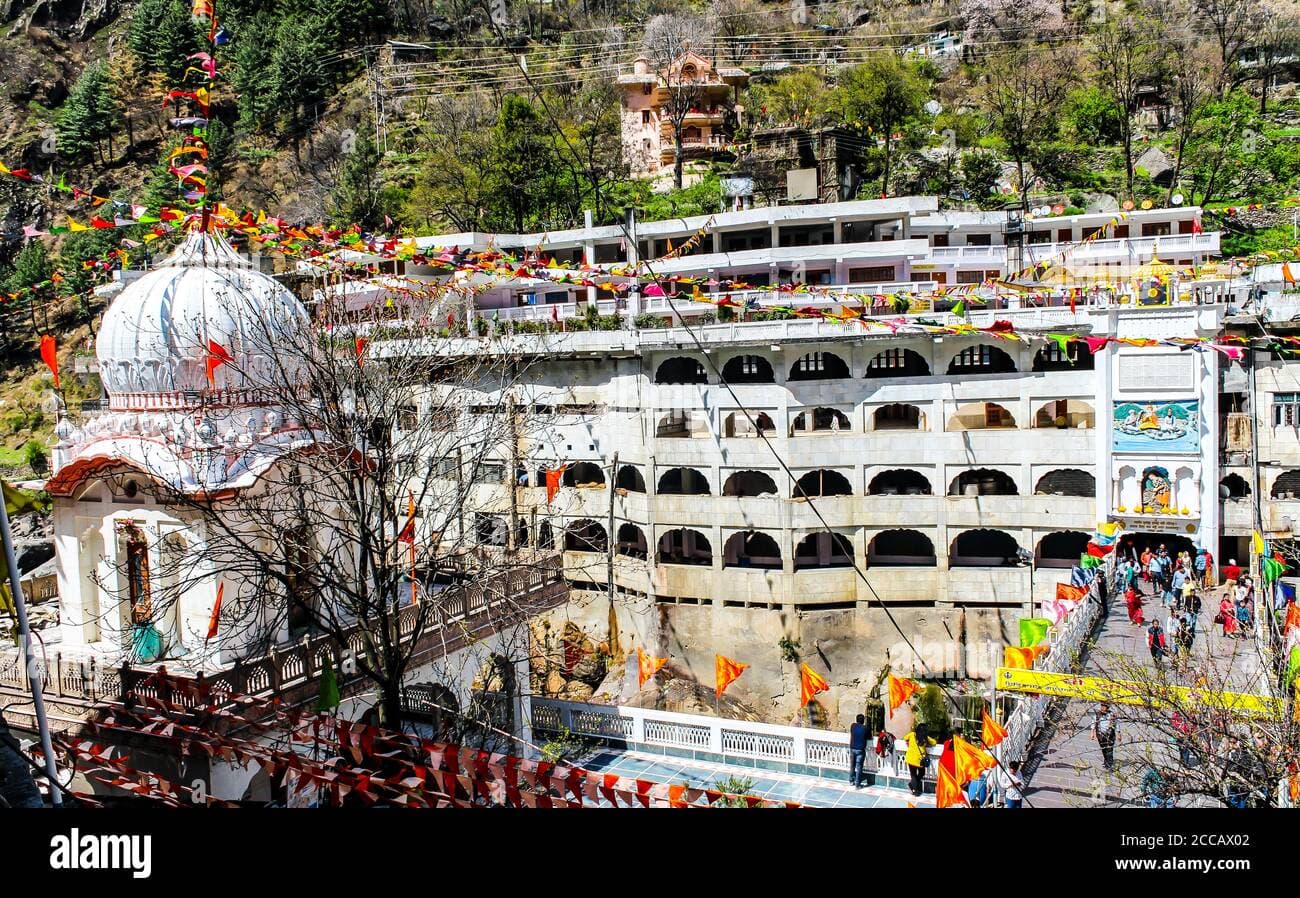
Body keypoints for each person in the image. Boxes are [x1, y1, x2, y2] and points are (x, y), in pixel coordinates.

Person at [904, 723, 935, 797]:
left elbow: (905, 738)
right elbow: (934, 742)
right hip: (920, 760)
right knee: (921, 773)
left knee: (913, 774)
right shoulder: (925, 737)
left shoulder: (912, 734)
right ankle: (913, 786)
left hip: (910, 758)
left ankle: (913, 787)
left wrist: (908, 742)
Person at [1093, 702, 1117, 771]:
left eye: (1104, 706)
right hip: (1100, 735)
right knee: (1103, 749)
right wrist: (1092, 732)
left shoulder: (1112, 715)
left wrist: (1119, 733)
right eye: (1102, 706)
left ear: (1107, 707)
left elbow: (1117, 724)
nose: (1102, 708)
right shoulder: (1098, 714)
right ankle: (1106, 761)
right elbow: (1094, 722)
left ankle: (1109, 764)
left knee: (1109, 749)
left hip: (1110, 735)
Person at [849, 714, 869, 789]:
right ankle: (857, 784)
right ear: (863, 721)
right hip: (860, 749)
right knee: (859, 767)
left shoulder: (853, 726)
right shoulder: (865, 728)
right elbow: (868, 736)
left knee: (852, 765)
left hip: (852, 748)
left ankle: (851, 781)